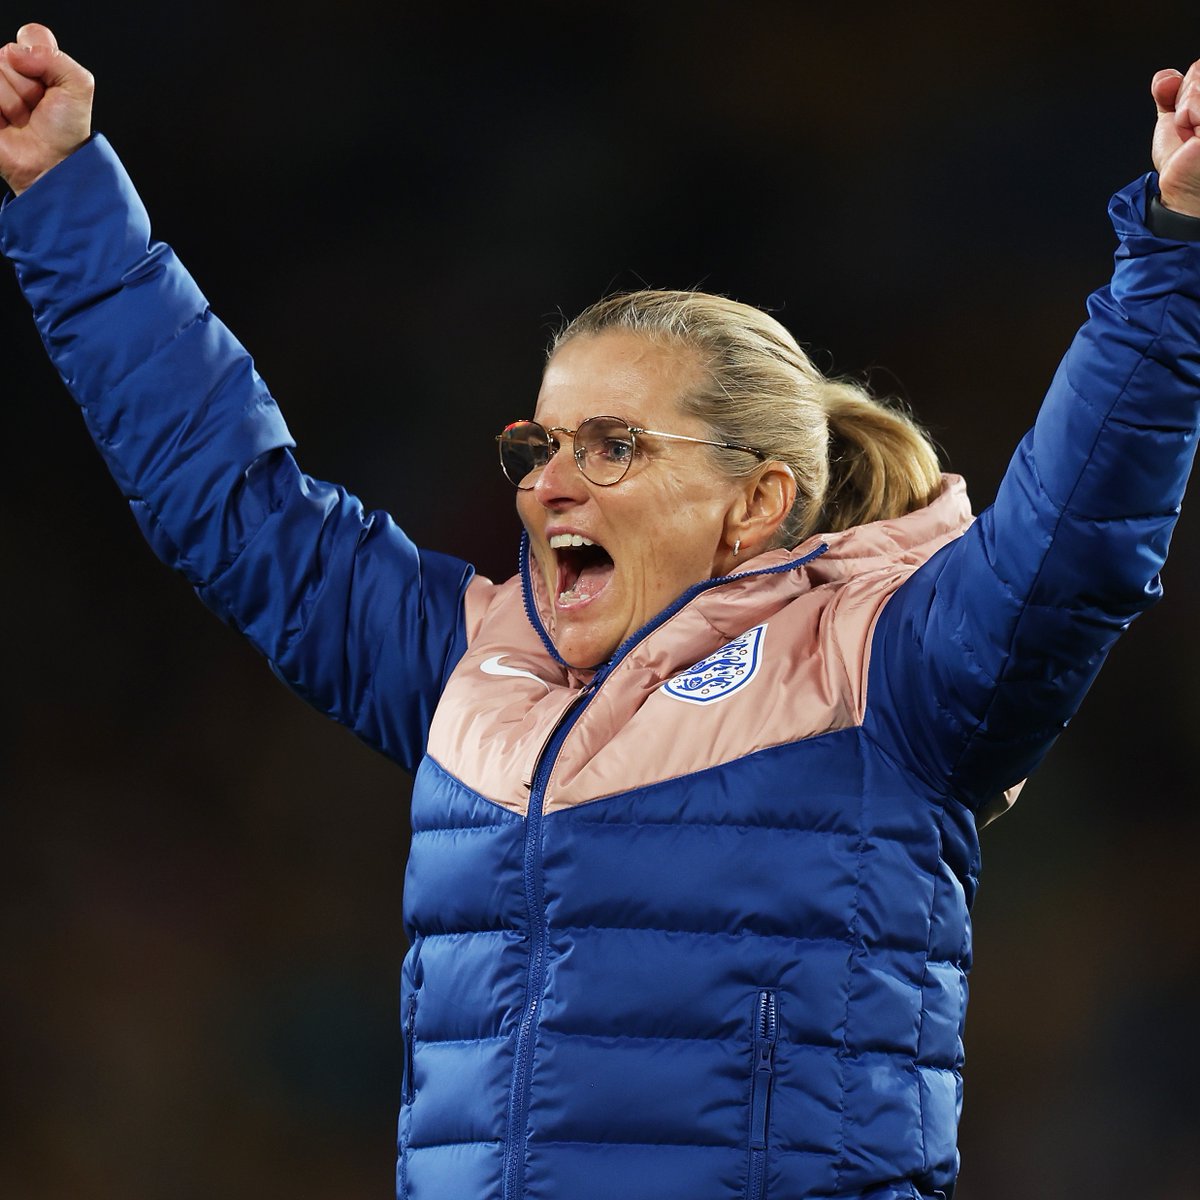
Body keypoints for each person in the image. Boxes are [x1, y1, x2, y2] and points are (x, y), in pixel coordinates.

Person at [2, 21, 1198, 1200]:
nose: (548, 482)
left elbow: (1076, 540)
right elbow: (232, 501)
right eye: (541, 444)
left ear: (755, 502)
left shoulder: (882, 668)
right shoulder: (476, 670)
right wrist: (62, 192)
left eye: (614, 446)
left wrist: (1176, 245)